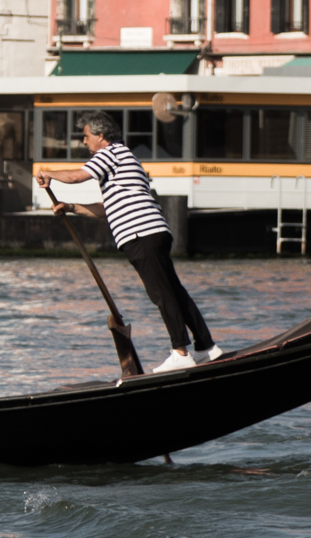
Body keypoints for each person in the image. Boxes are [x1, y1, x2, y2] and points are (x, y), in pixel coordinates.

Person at [36, 110, 221, 373]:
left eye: (86, 136)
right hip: (152, 230)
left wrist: (49, 173)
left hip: (139, 233)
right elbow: (106, 209)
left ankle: (180, 351)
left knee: (161, 293)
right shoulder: (124, 157)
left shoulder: (110, 153)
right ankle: (206, 347)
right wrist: (71, 207)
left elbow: (77, 176)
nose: (84, 141)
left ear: (101, 136)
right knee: (174, 290)